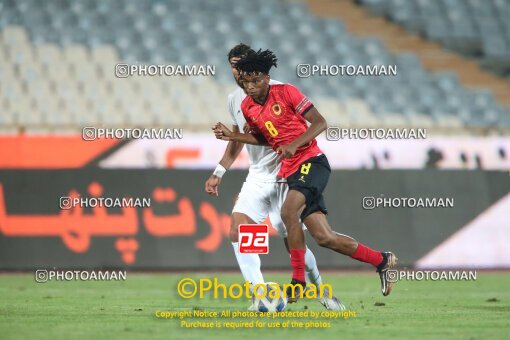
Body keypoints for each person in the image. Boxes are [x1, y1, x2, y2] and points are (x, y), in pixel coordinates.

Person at [213, 49, 397, 302]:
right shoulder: (244, 105)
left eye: (256, 80)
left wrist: (294, 145)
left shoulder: (286, 91)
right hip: (287, 172)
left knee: (288, 215)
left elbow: (320, 122)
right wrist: (233, 136)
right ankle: (382, 260)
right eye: (246, 81)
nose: (251, 86)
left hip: (311, 161)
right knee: (324, 237)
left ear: (266, 77)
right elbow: (263, 138)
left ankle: (298, 282)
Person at [205, 44, 344, 310]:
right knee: (240, 230)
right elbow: (239, 140)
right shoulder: (237, 99)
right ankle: (259, 296)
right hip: (257, 177)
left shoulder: (277, 90)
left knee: (292, 243)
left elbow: (278, 137)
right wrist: (219, 171)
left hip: (287, 175)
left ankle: (322, 291)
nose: (237, 70)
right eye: (233, 65)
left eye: (242, 64)